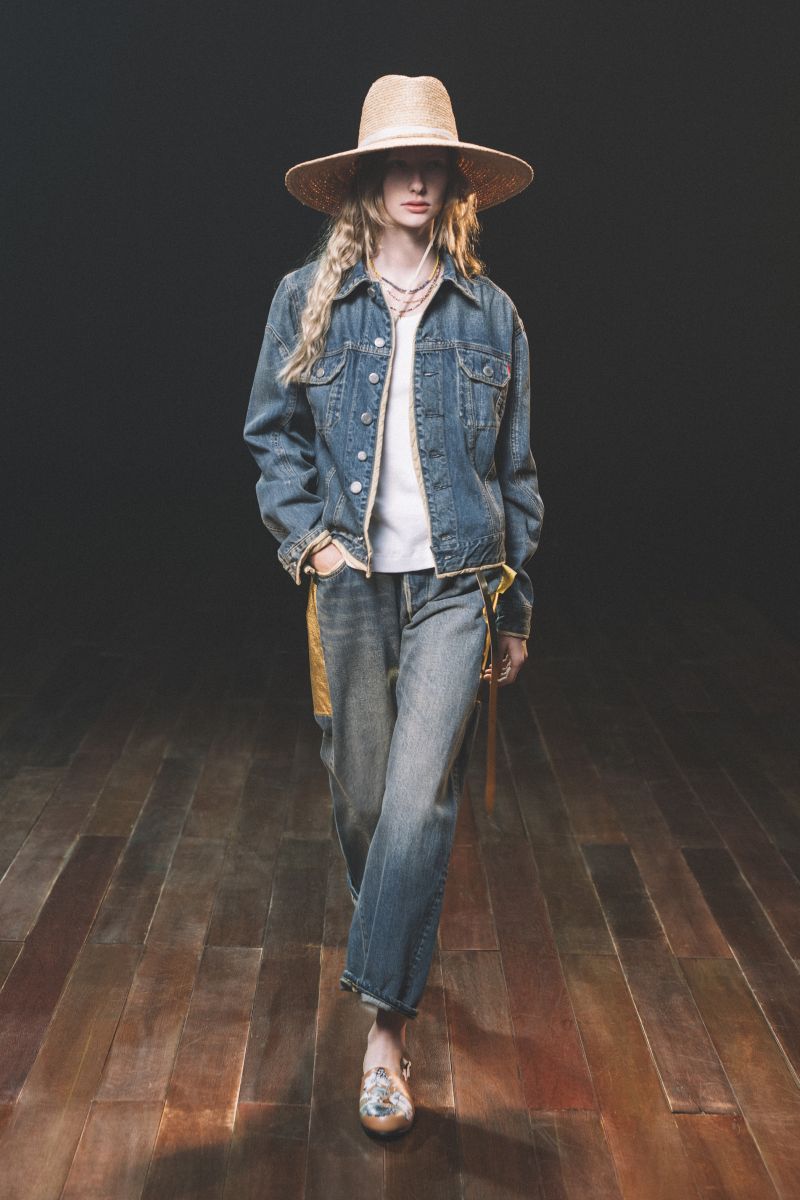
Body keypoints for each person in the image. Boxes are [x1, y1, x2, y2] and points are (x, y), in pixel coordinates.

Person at [243, 74, 544, 1139]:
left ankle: (383, 1036)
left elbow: (515, 473)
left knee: (418, 804)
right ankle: (395, 951)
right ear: (367, 181)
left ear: (454, 182)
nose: (417, 179)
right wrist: (313, 544)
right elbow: (271, 434)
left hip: (459, 586)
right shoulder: (308, 297)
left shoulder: (492, 314)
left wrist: (514, 610)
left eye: (433, 164)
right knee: (365, 805)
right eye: (397, 163)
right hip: (353, 582)